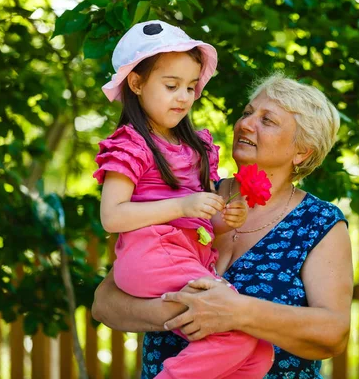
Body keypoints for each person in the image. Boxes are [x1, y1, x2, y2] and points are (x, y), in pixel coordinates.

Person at [92, 72, 354, 379]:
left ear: (302, 151)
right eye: (247, 113)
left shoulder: (318, 222)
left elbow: (333, 332)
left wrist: (237, 313)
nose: (245, 124)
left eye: (267, 120)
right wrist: (184, 312)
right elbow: (105, 302)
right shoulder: (190, 198)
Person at [93, 20, 274, 379]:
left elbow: (194, 221)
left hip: (183, 253)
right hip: (150, 257)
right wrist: (182, 205)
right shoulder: (131, 144)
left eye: (191, 87)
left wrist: (222, 218)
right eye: (172, 86)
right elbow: (112, 217)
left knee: (259, 351)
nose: (184, 97)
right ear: (137, 83)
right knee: (235, 328)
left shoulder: (194, 147)